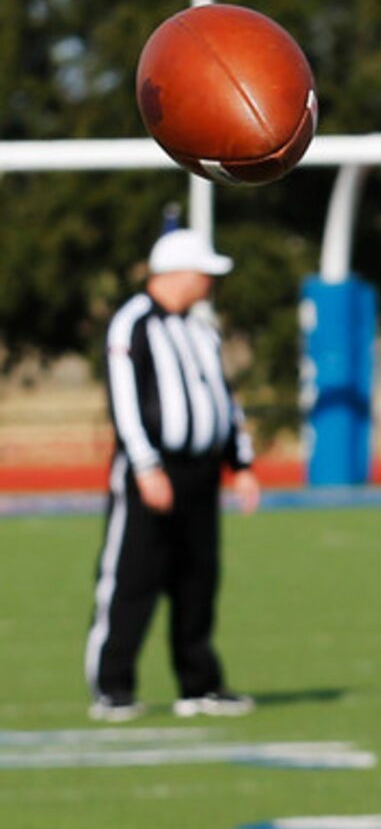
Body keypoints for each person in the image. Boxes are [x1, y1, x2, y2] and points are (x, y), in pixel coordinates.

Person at [87, 227, 260, 720]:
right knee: (132, 576)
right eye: (204, 273)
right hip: (153, 471)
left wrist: (241, 463)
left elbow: (223, 399)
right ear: (179, 272)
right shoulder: (132, 323)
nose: (209, 283)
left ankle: (199, 683)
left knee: (198, 578)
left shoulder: (202, 328)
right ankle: (113, 686)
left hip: (201, 473)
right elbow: (123, 400)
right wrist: (145, 466)